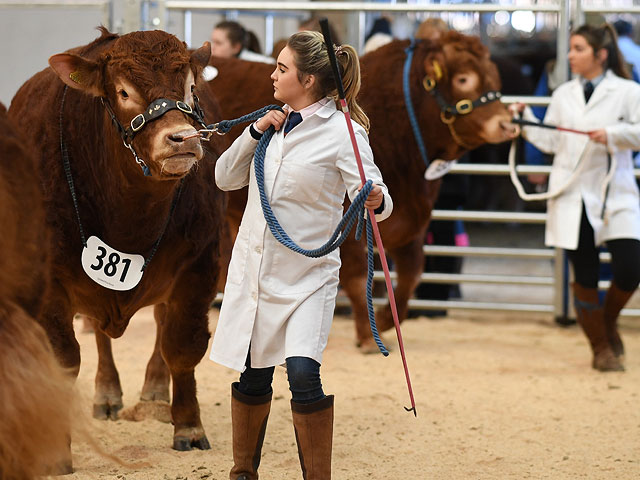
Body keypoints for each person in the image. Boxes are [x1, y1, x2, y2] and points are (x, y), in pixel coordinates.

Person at [210, 30, 392, 479]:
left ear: (308, 80)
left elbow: (376, 193)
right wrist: (253, 132)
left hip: (308, 277)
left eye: (282, 68)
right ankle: (243, 472)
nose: (273, 74)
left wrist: (375, 200)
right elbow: (223, 178)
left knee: (304, 374)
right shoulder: (269, 127)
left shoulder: (344, 132)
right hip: (257, 273)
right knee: (254, 377)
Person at [510, 23, 640, 372]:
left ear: (601, 54)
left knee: (630, 268)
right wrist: (525, 120)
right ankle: (600, 347)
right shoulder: (563, 93)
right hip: (572, 192)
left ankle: (607, 321)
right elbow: (553, 142)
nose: (570, 55)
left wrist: (614, 134)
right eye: (571, 48)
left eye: (578, 48)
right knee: (584, 273)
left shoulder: (628, 91)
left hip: (615, 191)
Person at [210, 20, 275, 64]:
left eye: (218, 43)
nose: (212, 47)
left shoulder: (265, 64)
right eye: (212, 42)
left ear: (236, 47)